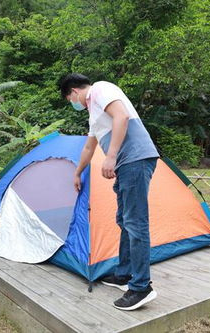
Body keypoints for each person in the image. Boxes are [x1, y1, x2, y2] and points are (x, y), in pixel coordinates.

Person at [59, 73, 159, 311]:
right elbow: (88, 147)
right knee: (124, 219)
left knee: (135, 223)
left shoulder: (101, 89)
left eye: (69, 100)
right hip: (126, 164)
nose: (73, 104)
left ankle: (142, 287)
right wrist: (77, 172)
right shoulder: (94, 112)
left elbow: (122, 116)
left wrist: (111, 156)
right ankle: (124, 274)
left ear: (73, 92)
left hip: (134, 159)